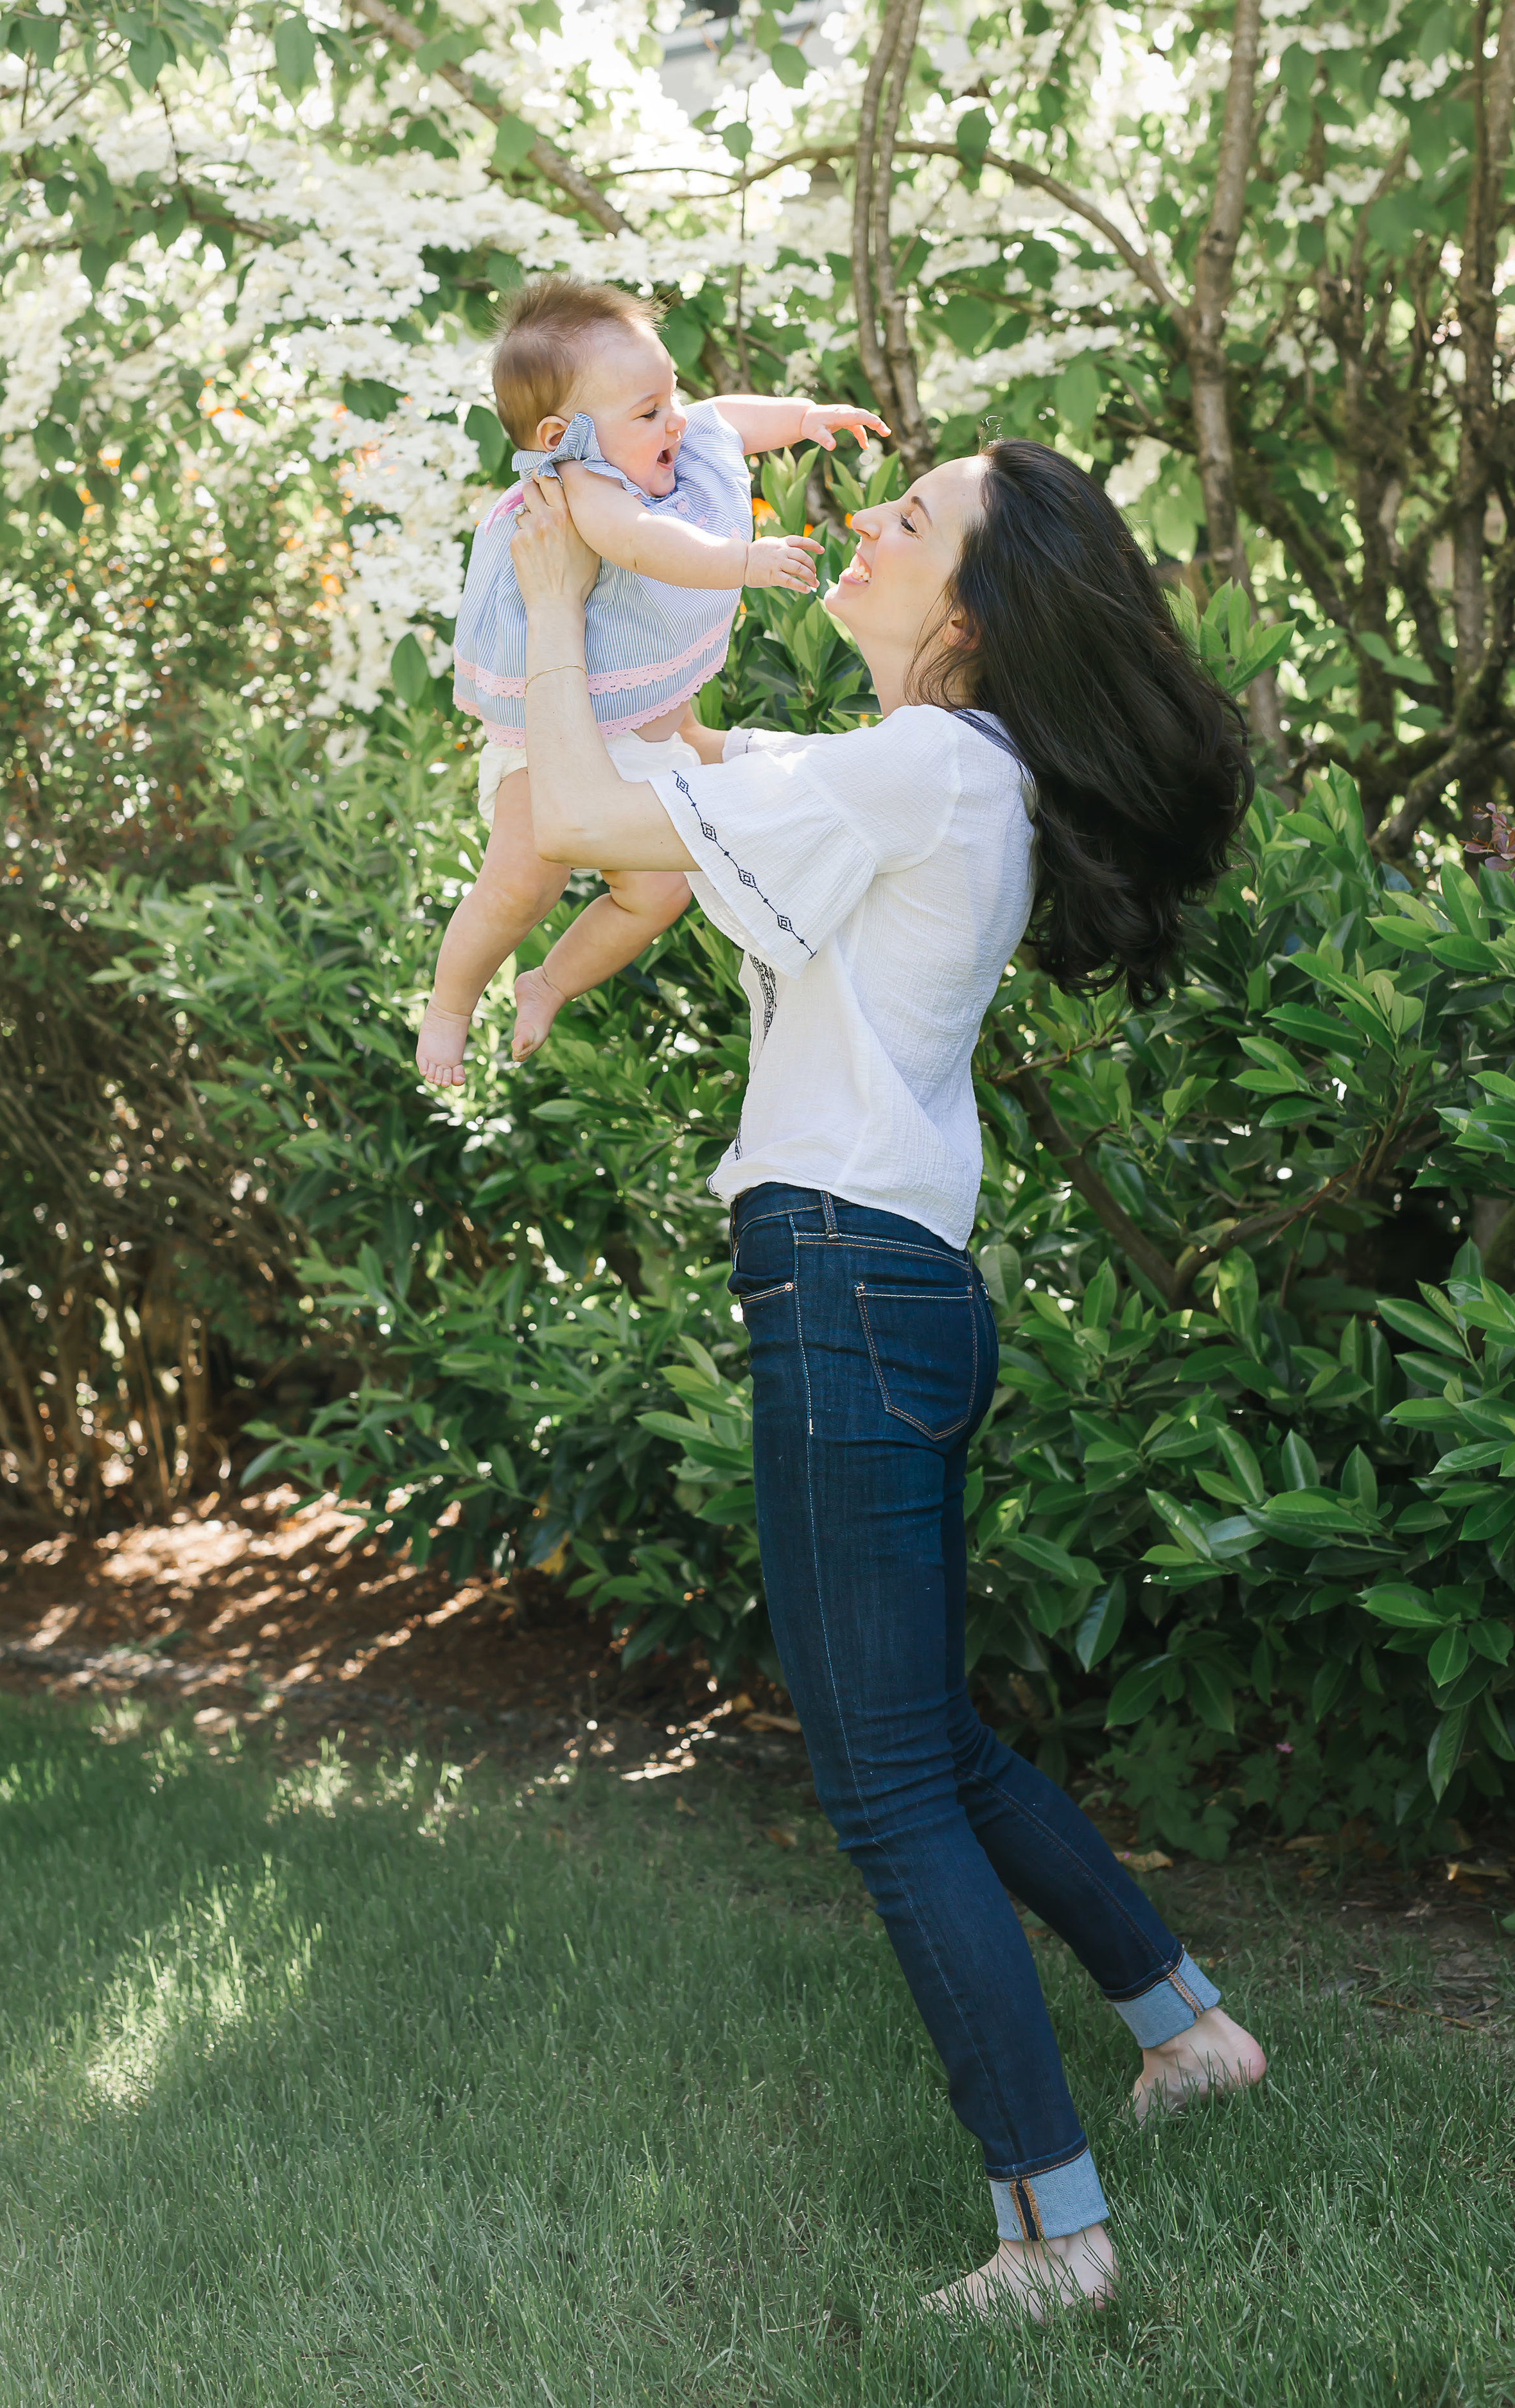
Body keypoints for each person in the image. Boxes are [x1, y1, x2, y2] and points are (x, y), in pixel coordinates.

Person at [503, 436, 1268, 2319]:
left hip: (845, 1279)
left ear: (973, 614)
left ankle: (1051, 2231)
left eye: (907, 518)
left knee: (880, 1780)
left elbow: (584, 821)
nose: (863, 524)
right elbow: (684, 780)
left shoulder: (930, 765)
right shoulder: (941, 776)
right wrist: (640, 611)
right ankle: (1182, 2030)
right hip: (888, 1276)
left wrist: (539, 596)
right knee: (928, 1735)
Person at [416, 274, 886, 1086]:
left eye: (669, 393)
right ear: (566, 435)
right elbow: (640, 544)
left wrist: (804, 420)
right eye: (648, 411)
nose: (675, 420)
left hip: (639, 725)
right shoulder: (585, 486)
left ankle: (548, 982)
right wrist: (743, 562)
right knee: (521, 884)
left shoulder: (665, 429)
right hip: (553, 733)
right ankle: (451, 1005)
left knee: (660, 892)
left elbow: (727, 417)